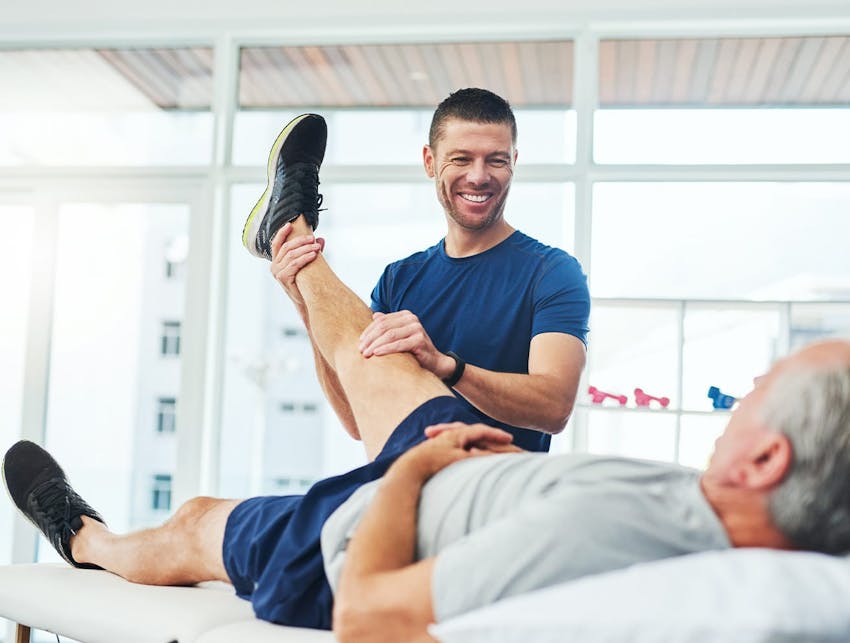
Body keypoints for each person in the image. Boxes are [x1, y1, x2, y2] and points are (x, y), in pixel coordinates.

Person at [6, 184, 850, 639]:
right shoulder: (701, 509)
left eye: (761, 389)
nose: (736, 404)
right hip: (467, 464)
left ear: (767, 462)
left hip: (362, 525)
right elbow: (345, 413)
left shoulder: (626, 531)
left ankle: (84, 540)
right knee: (377, 341)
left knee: (192, 520)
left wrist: (410, 472)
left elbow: (372, 617)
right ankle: (288, 237)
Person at [248, 89, 590, 454]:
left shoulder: (552, 272)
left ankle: (289, 225)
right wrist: (301, 298)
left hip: (493, 488)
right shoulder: (400, 279)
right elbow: (356, 418)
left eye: (496, 160)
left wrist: (448, 367)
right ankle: (292, 238)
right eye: (460, 159)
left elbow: (554, 408)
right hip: (400, 480)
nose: (479, 176)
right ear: (429, 161)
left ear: (514, 162)